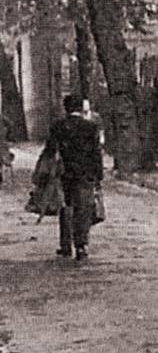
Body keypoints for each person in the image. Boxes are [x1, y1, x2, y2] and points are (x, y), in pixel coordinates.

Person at [41, 93, 104, 260]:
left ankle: (65, 245)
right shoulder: (90, 127)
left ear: (66, 108)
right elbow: (96, 152)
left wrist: (45, 172)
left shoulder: (58, 126)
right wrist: (99, 174)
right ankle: (81, 245)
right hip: (85, 173)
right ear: (80, 108)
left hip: (64, 173)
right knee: (83, 209)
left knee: (66, 207)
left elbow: (50, 150)